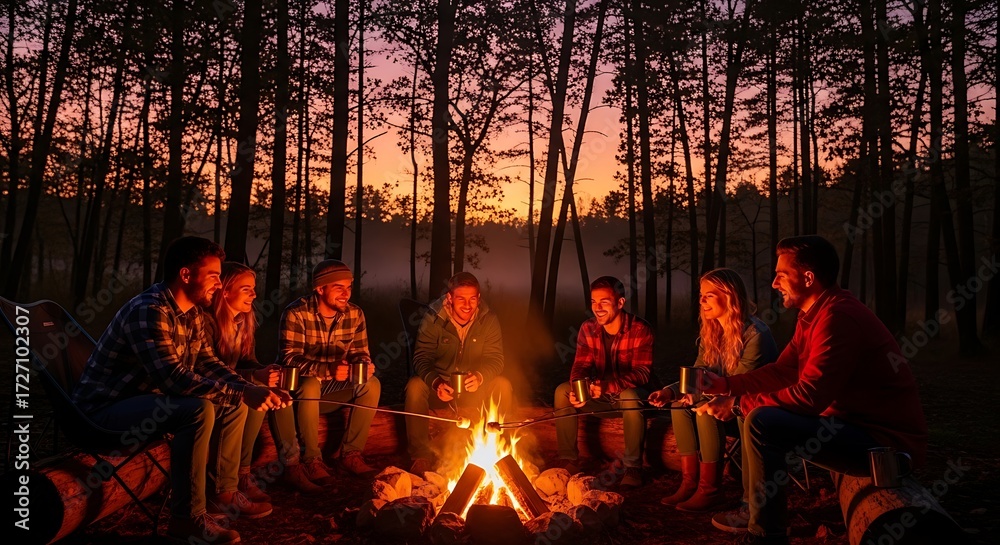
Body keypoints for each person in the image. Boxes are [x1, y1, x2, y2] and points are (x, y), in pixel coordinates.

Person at [702, 235, 928, 545]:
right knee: (760, 416)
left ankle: (765, 534)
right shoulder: (814, 314)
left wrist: (739, 404)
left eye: (782, 274)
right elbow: (785, 370)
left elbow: (810, 396)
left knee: (761, 422)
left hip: (884, 447)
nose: (774, 283)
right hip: (852, 427)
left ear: (808, 278)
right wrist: (726, 385)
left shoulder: (837, 317)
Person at [72, 236, 291, 545]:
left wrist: (245, 387)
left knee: (234, 401)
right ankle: (186, 519)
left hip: (145, 403)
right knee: (199, 409)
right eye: (213, 275)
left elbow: (206, 363)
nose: (218, 283)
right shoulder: (149, 310)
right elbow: (174, 379)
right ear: (186, 274)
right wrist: (242, 392)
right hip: (102, 412)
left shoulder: (191, 315)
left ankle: (223, 494)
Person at [648, 268, 778, 512]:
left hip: (752, 409)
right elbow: (699, 375)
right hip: (725, 400)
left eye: (709, 295)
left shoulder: (756, 336)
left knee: (703, 411)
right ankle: (690, 483)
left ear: (729, 296)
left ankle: (711, 490)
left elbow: (739, 385)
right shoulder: (713, 332)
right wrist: (671, 392)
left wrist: (700, 397)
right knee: (679, 406)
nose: (701, 300)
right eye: (701, 295)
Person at [204, 262, 323, 497]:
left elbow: (247, 362)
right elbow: (210, 371)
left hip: (235, 386)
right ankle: (239, 475)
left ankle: (289, 465)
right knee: (257, 387)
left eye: (254, 288)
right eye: (246, 288)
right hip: (212, 391)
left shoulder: (242, 323)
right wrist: (254, 376)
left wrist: (265, 371)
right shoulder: (208, 323)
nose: (254, 294)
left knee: (273, 387)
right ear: (225, 291)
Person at [278, 259, 381, 481]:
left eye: (349, 287)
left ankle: (351, 454)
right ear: (320, 288)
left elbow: (360, 352)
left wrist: (362, 364)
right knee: (312, 383)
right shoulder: (296, 313)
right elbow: (289, 359)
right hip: (300, 392)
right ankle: (312, 459)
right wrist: (326, 369)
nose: (346, 293)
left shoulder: (355, 314)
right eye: (338, 287)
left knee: (371, 385)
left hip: (334, 389)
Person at [405, 272, 513, 475]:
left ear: (478, 298)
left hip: (475, 386)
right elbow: (421, 358)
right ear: (449, 298)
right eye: (461, 298)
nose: (467, 305)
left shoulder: (488, 319)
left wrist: (480, 376)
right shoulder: (434, 319)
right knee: (414, 386)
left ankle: (499, 448)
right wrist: (436, 383)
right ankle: (420, 455)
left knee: (502, 385)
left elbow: (496, 359)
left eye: (472, 299)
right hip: (441, 388)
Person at [553, 276, 655, 489]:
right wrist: (577, 389)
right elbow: (580, 366)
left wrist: (610, 386)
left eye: (604, 302)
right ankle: (570, 459)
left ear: (620, 303)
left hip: (633, 400)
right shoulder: (588, 328)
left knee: (629, 395)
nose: (597, 308)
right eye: (593, 302)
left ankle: (633, 466)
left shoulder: (640, 329)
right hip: (601, 397)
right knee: (562, 391)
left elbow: (643, 373)